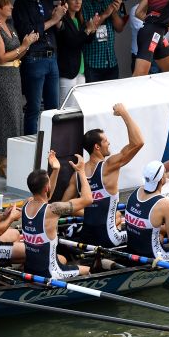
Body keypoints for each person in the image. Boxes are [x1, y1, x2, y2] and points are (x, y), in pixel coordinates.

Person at [60, 103, 144, 247]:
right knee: (153, 231)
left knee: (117, 216)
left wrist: (89, 212)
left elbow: (64, 206)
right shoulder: (108, 166)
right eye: (105, 141)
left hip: (87, 237)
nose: (109, 142)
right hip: (110, 237)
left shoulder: (77, 175)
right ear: (97, 147)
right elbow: (138, 143)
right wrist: (124, 113)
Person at [0, 0, 38, 175]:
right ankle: (3, 162)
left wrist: (26, 44)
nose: (11, 7)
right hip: (0, 77)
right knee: (4, 117)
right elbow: (1, 57)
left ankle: (10, 159)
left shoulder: (10, 26)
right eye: (8, 4)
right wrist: (23, 47)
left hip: (13, 74)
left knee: (15, 116)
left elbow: (17, 53)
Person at [13, 0, 67, 135]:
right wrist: (53, 20)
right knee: (34, 108)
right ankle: (31, 147)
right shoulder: (21, 3)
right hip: (34, 58)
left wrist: (60, 18)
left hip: (52, 57)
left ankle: (53, 146)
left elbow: (57, 28)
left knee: (53, 109)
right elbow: (28, 32)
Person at [23, 154, 92, 278]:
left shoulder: (26, 203)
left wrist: (56, 169)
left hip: (30, 269)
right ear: (46, 187)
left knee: (63, 259)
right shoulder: (53, 210)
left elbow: (46, 197)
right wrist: (81, 171)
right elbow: (87, 199)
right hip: (50, 273)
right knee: (87, 269)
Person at [81, 0, 126, 82]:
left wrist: (114, 12)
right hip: (92, 64)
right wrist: (106, 14)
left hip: (111, 62)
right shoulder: (83, 1)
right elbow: (87, 28)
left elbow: (119, 27)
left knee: (112, 98)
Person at [56, 0, 100, 104]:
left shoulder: (78, 19)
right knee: (66, 107)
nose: (77, 2)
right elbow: (72, 42)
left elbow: (86, 41)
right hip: (67, 71)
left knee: (79, 106)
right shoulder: (62, 20)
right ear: (66, 1)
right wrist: (87, 30)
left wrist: (93, 29)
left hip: (80, 69)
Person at [128, 1, 169, 74]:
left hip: (162, 55)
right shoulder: (136, 9)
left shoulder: (168, 9)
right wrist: (164, 27)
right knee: (140, 84)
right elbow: (148, 31)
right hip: (142, 55)